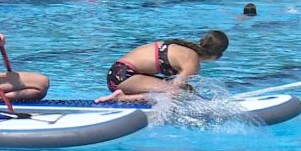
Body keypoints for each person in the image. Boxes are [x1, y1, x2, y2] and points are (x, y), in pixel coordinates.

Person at [95, 30, 229, 104]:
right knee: (177, 93)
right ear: (218, 56)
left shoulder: (184, 47)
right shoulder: (192, 62)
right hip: (122, 77)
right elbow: (175, 89)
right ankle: (121, 98)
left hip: (119, 72)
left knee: (187, 90)